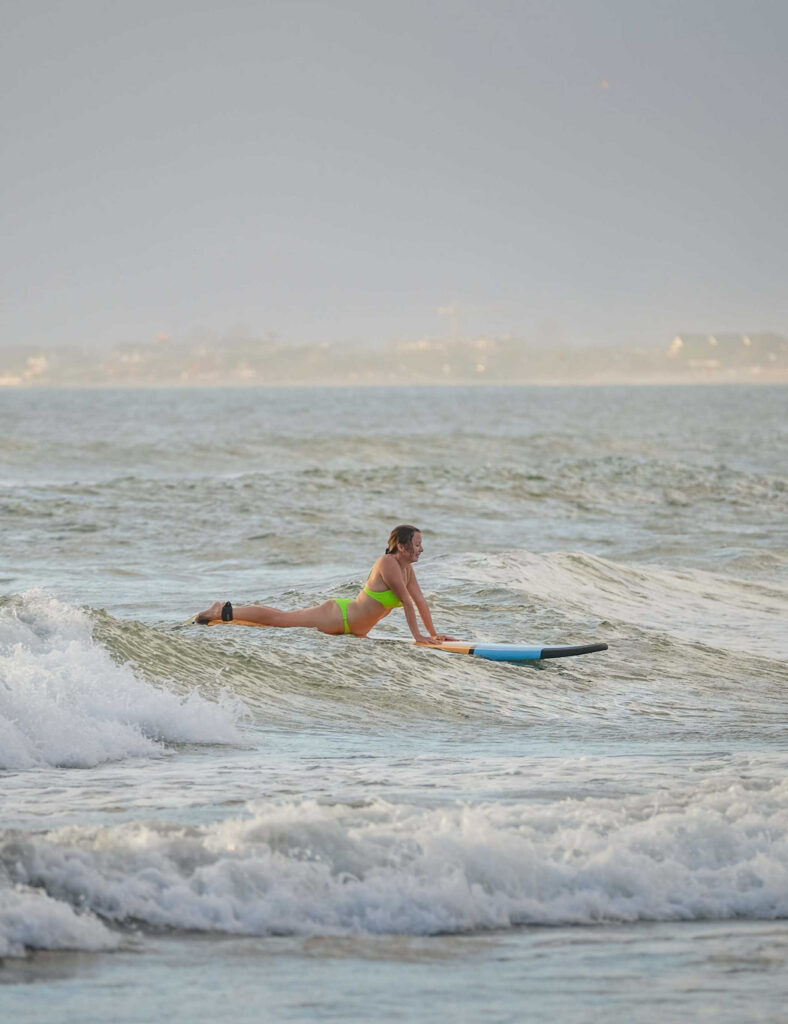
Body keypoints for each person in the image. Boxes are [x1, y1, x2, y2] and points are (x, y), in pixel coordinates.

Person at [195, 525, 456, 645]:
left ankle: (226, 613)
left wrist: (432, 633)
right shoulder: (387, 563)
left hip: (352, 630)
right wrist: (419, 637)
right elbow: (407, 603)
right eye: (418, 544)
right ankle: (222, 611)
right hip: (337, 616)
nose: (422, 549)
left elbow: (420, 602)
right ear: (401, 545)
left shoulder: (407, 569)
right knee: (279, 619)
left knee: (279, 619)